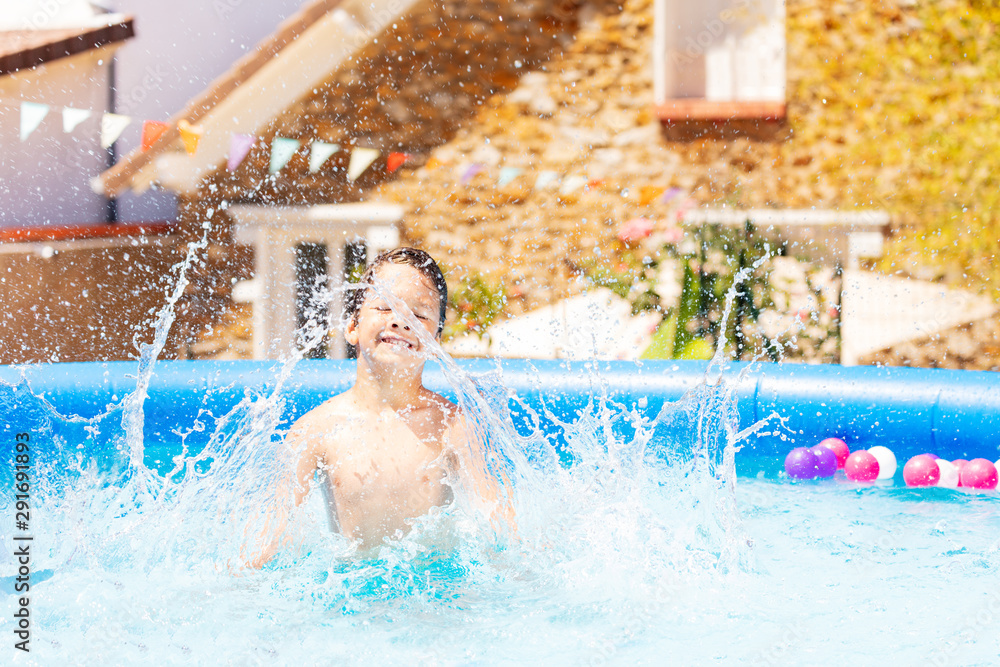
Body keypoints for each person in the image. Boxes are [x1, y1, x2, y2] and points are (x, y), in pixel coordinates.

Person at [246, 247, 508, 567]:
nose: (401, 321)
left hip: (435, 598)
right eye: (385, 307)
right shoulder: (316, 430)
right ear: (353, 327)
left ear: (435, 340)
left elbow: (503, 533)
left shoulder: (452, 428)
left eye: (420, 314)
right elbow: (267, 542)